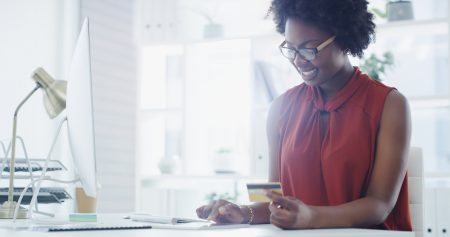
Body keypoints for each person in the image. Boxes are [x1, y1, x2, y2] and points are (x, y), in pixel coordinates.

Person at [196, 0, 412, 231]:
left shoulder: (390, 104)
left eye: (310, 49)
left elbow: (379, 205)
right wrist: (241, 212)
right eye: (291, 48)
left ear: (345, 41)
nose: (298, 60)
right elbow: (270, 198)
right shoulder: (280, 107)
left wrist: (311, 218)